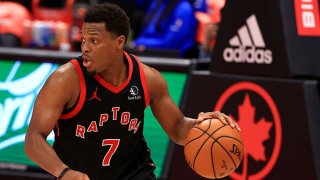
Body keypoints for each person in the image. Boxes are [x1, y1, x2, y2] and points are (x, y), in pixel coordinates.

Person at [24, 3, 240, 180]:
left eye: (94, 41)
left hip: (135, 174)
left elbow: (177, 128)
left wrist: (201, 126)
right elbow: (33, 139)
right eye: (83, 40)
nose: (85, 48)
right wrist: (63, 172)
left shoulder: (148, 79)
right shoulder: (65, 80)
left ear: (119, 42)